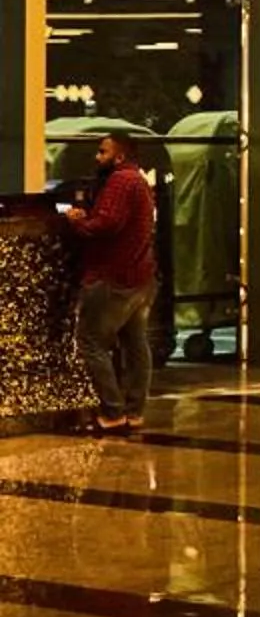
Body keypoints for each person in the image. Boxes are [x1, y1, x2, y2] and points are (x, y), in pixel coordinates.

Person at [62, 133, 157, 434]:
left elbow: (107, 223)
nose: (96, 157)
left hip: (112, 277)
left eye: (102, 152)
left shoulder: (120, 181)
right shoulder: (139, 181)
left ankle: (113, 413)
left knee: (91, 342)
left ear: (119, 157)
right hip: (140, 277)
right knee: (136, 344)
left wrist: (78, 221)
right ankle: (134, 411)